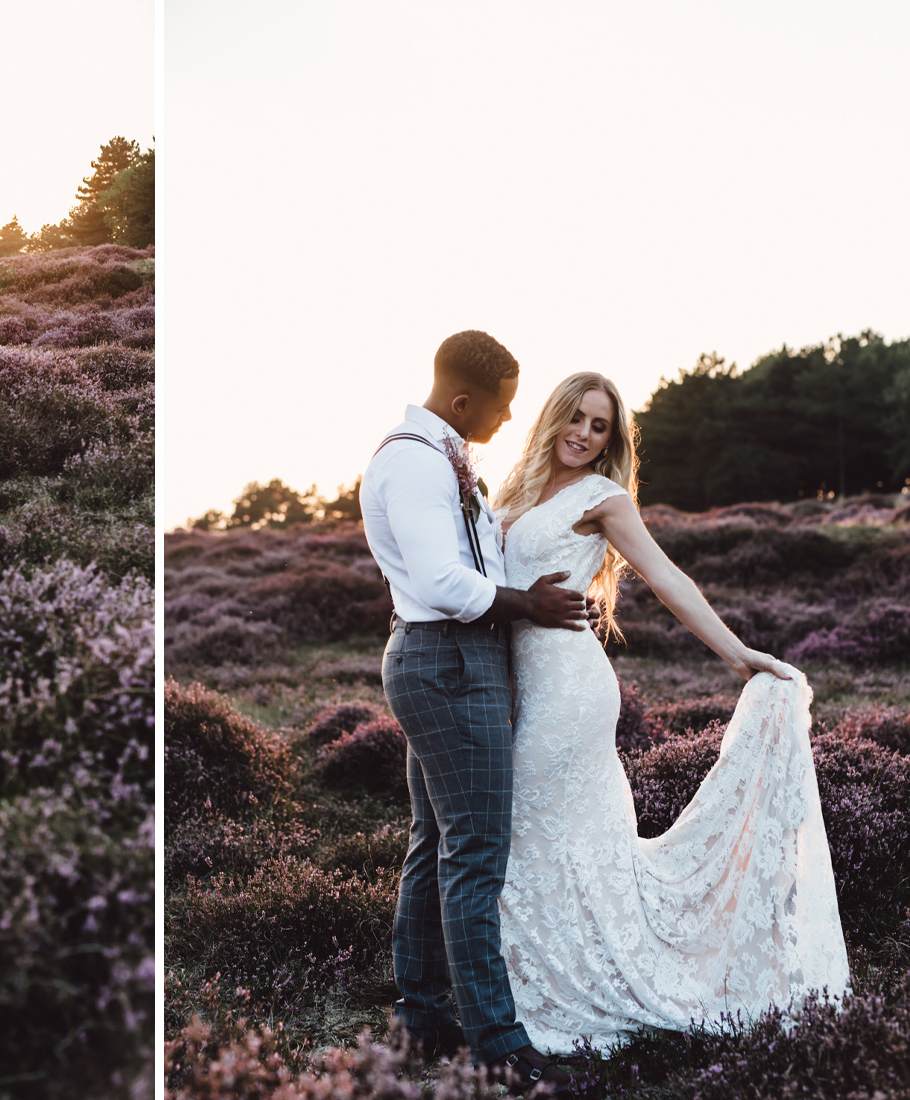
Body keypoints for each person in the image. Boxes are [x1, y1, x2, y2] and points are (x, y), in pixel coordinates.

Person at [492, 371, 849, 1054]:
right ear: (553, 416)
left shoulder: (602, 497)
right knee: (536, 838)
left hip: (569, 689)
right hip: (516, 683)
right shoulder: (514, 489)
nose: (584, 435)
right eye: (576, 418)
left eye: (600, 428)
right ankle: (531, 978)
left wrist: (737, 652)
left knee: (539, 832)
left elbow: (665, 577)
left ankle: (562, 987)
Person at [360, 330, 593, 1095]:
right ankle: (498, 1043)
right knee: (476, 851)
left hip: (449, 660)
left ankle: (422, 1016)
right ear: (462, 402)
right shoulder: (416, 463)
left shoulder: (439, 455)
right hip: (450, 661)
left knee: (436, 843)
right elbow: (439, 582)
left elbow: (471, 558)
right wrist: (528, 603)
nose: (505, 421)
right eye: (499, 409)